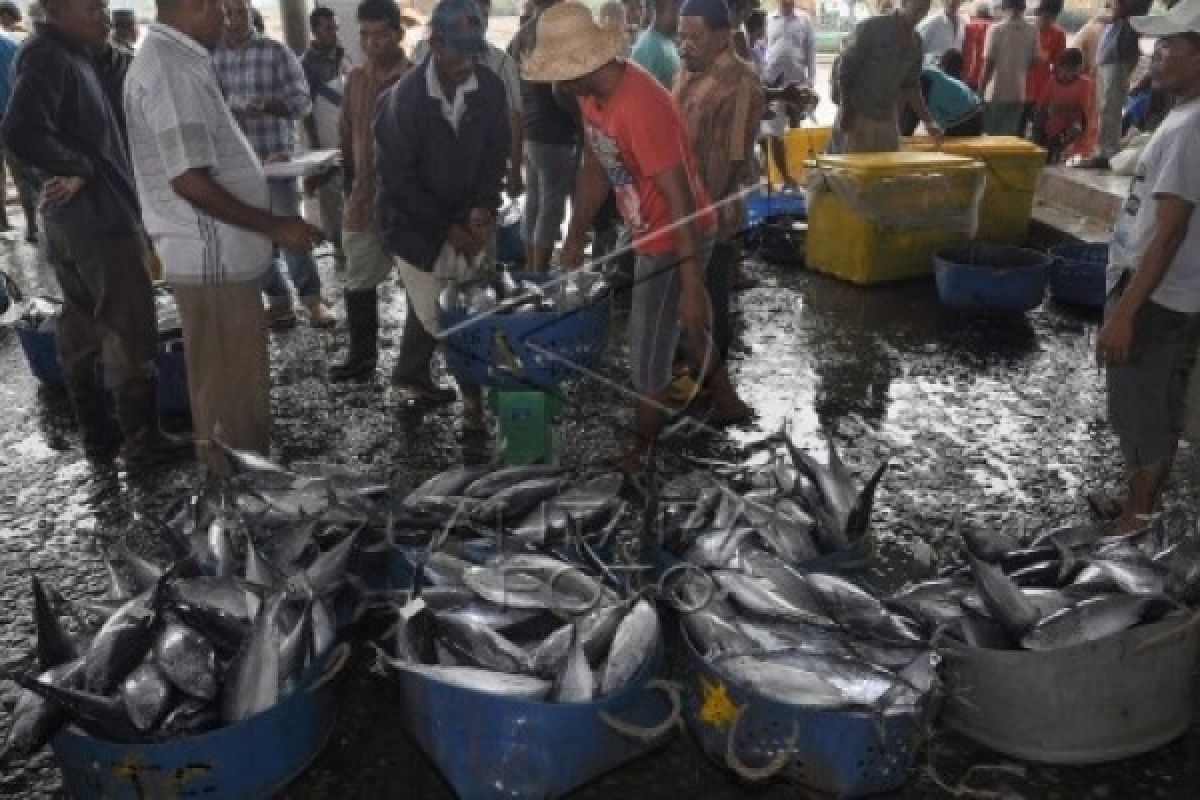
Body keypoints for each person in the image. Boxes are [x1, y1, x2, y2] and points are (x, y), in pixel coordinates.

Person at [525, 2, 747, 468]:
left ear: (585, 64)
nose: (557, 85)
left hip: (676, 232)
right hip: (649, 227)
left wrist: (689, 281)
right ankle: (727, 404)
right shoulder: (589, 96)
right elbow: (595, 166)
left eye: (562, 74)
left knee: (649, 344)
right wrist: (573, 235)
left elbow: (680, 197)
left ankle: (641, 450)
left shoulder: (639, 104)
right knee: (688, 326)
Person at [125, 0, 324, 471]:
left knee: (229, 383)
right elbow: (188, 180)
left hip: (215, 256)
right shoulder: (171, 67)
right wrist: (275, 225)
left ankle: (236, 488)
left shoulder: (181, 58)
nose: (228, 16)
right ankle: (237, 498)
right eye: (219, 6)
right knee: (230, 391)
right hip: (209, 256)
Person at [2, 0, 190, 467]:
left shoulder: (79, 54)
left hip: (78, 219)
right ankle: (143, 440)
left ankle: (101, 438)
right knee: (128, 328)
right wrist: (78, 166)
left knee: (82, 325)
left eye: (104, 6)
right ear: (54, 11)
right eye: (91, 8)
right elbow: (22, 131)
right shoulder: (49, 56)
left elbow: (107, 93)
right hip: (98, 222)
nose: (103, 16)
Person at [375, 0, 509, 425]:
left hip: (465, 216)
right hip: (414, 225)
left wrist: (484, 207)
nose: (468, 62)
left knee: (472, 308)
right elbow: (399, 184)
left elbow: (495, 155)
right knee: (445, 319)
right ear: (433, 43)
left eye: (475, 51)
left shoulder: (490, 88)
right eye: (459, 51)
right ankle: (461, 394)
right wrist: (449, 230)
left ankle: (472, 401)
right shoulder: (404, 101)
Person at [1094, 0, 1200, 536]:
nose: (1155, 56)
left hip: (1156, 298)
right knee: (1141, 402)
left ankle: (1139, 519)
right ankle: (1138, 498)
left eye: (1169, 46)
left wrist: (1125, 313)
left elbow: (1171, 231)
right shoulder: (1180, 117)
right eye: (1156, 45)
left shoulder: (1190, 127)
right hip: (1155, 291)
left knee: (1146, 407)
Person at [215, 0, 337, 329]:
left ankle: (313, 301)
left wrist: (268, 105)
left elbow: (302, 103)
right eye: (225, 12)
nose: (232, 19)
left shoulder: (275, 52)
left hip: (275, 160)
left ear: (250, 12)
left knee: (288, 229)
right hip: (235, 165)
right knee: (249, 233)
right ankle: (278, 299)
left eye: (238, 11)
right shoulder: (211, 56)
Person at [674, 0, 757, 424]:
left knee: (711, 301)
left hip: (712, 214)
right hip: (679, 209)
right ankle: (692, 378)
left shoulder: (741, 82)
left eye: (695, 36)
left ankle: (716, 395)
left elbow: (733, 159)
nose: (686, 45)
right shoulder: (687, 70)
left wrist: (698, 215)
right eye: (682, 35)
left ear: (723, 35)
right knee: (686, 296)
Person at [330, 0, 411, 382]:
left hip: (408, 206)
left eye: (380, 34)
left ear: (398, 33)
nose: (371, 42)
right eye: (365, 34)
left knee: (418, 285)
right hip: (363, 201)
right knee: (358, 279)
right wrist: (348, 180)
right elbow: (346, 133)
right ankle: (362, 358)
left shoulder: (414, 80)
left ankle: (416, 369)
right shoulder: (356, 80)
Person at [411, 0, 524, 202]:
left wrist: (513, 171)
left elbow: (513, 119)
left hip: (475, 187)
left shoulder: (500, 67)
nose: (467, 62)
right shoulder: (416, 65)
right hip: (426, 191)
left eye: (483, 14)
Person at [510, 0, 580, 271]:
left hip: (530, 129)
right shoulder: (554, 31)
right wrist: (580, 118)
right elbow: (560, 89)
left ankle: (530, 267)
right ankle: (539, 272)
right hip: (555, 131)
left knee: (534, 203)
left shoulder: (522, 34)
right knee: (550, 208)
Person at [833, 0, 942, 153]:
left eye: (924, 10)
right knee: (849, 173)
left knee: (886, 172)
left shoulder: (916, 44)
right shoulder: (871, 28)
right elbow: (844, 71)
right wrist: (845, 109)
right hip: (857, 113)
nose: (920, 14)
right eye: (917, 8)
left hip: (887, 117)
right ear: (904, 3)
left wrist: (928, 121)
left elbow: (911, 86)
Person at [301, 6, 351, 269]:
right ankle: (340, 249)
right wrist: (316, 145)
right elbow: (306, 110)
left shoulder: (343, 56)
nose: (334, 33)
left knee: (351, 190)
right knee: (330, 194)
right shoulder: (306, 65)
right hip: (324, 139)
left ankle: (353, 243)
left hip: (347, 137)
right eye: (328, 28)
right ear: (315, 31)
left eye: (335, 27)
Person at [1080, 0, 1143, 167]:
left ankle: (1106, 154)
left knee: (1110, 106)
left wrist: (1107, 12)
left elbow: (1116, 12)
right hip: (1109, 55)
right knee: (1104, 106)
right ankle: (1103, 151)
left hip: (1119, 55)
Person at [763, 0, 815, 185]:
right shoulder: (769, 18)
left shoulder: (804, 20)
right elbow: (765, 48)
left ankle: (796, 170)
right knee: (773, 130)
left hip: (797, 84)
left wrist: (810, 83)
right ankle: (777, 172)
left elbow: (810, 52)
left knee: (795, 130)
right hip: (773, 83)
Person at [980, 0, 1036, 135]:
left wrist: (979, 91)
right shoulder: (1033, 31)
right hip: (1018, 93)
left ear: (1005, 8)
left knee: (989, 137)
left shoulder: (996, 29)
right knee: (1007, 139)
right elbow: (1033, 63)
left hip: (995, 93)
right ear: (1023, 8)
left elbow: (988, 65)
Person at [903, 48, 984, 136]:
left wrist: (903, 136)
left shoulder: (920, 78)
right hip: (975, 110)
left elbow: (912, 116)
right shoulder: (928, 70)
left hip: (965, 119)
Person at [1031, 47, 1093, 162]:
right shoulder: (1051, 82)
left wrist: (1061, 108)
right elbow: (1041, 108)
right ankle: (1046, 147)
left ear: (1078, 69)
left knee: (1076, 128)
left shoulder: (1085, 84)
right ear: (1059, 68)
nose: (1065, 74)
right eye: (1063, 70)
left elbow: (1083, 110)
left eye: (1070, 71)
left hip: (1070, 128)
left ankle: (1057, 150)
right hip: (1050, 127)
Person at [1024, 0, 1066, 137]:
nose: (1048, 21)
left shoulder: (1058, 34)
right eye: (1045, 16)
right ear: (1039, 12)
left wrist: (1056, 91)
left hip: (1042, 91)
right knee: (1016, 129)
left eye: (1052, 17)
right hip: (1020, 88)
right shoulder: (1026, 29)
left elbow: (1059, 66)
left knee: (1038, 130)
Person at [632, 0, 680, 88]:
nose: (679, 18)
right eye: (676, 11)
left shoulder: (666, 40)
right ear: (660, 11)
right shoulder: (648, 48)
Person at [0, 22, 17, 231]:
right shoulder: (11, 43)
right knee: (25, 176)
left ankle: (2, 223)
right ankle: (32, 226)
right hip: (11, 118)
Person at [961, 0, 992, 89]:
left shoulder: (969, 27)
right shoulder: (995, 28)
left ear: (974, 13)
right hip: (989, 78)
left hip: (969, 76)